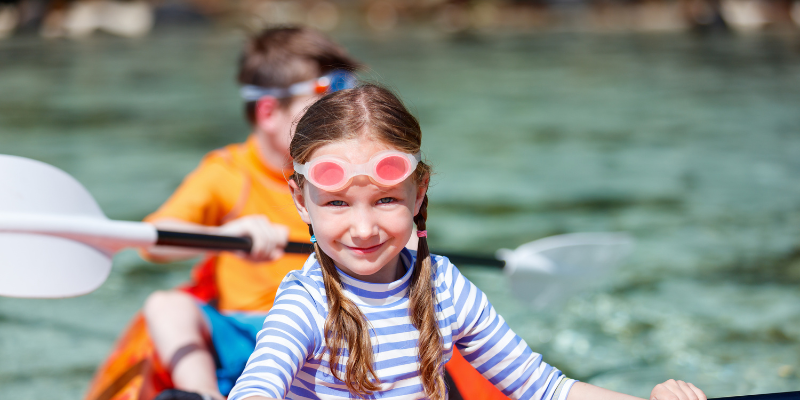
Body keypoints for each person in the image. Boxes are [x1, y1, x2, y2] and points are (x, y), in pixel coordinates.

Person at [226, 84, 708, 400]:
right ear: (300, 200)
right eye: (336, 204)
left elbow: (544, 388)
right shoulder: (306, 304)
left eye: (386, 201)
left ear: (420, 193)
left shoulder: (445, 288)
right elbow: (258, 387)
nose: (364, 228)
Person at [139, 26, 362, 400]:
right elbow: (153, 242)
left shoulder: (346, 175)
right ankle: (202, 394)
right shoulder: (227, 173)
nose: (341, 128)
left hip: (323, 330)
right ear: (269, 113)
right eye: (321, 111)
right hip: (243, 332)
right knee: (166, 305)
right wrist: (226, 239)